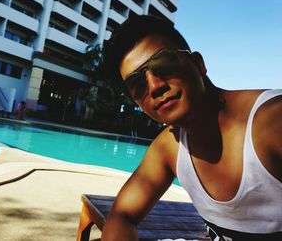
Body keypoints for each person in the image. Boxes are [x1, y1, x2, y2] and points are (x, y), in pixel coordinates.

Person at [101, 15, 282, 240]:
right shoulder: (170, 147)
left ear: (198, 64)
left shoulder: (271, 123)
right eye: (138, 85)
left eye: (164, 65)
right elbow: (122, 215)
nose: (155, 87)